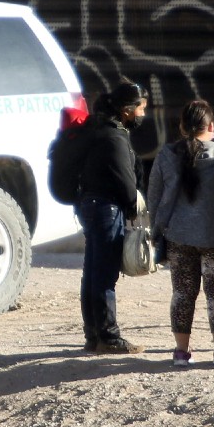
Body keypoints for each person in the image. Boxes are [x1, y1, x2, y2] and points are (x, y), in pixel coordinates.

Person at [148, 99, 214, 367]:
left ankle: (181, 352)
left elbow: (154, 196)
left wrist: (157, 228)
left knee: (182, 294)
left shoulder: (166, 155)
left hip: (178, 237)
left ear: (183, 127)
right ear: (210, 126)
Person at [77, 80, 148, 354]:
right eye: (141, 108)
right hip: (106, 209)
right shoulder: (114, 137)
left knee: (92, 273)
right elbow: (126, 181)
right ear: (128, 110)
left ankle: (93, 335)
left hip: (91, 205)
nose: (143, 113)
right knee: (104, 274)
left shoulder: (100, 131)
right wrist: (134, 206)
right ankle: (109, 337)